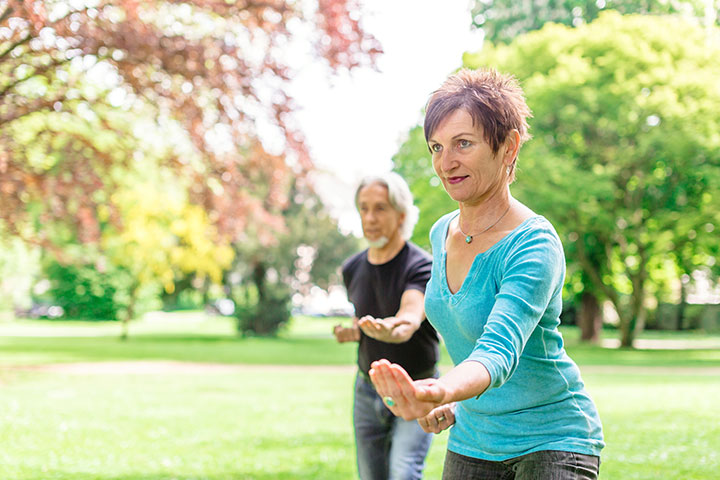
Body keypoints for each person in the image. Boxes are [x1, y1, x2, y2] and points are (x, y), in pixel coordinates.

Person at [369, 68, 605, 479]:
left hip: (551, 440)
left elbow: (497, 351)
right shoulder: (441, 231)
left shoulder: (533, 243)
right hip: (473, 439)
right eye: (436, 147)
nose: (446, 163)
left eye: (463, 143)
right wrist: (453, 400)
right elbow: (465, 339)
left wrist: (439, 388)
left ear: (509, 147)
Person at [333, 172, 440, 480]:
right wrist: (354, 330)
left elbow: (411, 312)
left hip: (416, 387)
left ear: (401, 214)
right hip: (368, 390)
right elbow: (366, 315)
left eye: (380, 208)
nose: (370, 217)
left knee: (403, 472)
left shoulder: (420, 265)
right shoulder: (352, 268)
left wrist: (398, 326)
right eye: (364, 208)